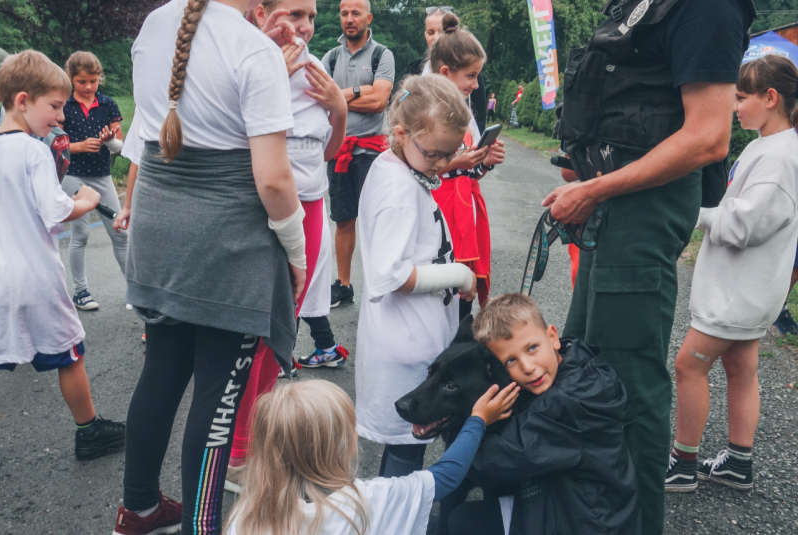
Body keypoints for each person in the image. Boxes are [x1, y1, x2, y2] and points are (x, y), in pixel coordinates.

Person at [547, 1, 756, 532]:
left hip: (641, 212)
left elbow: (708, 136)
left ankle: (634, 523)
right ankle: (591, 514)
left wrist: (593, 188)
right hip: (611, 204)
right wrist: (586, 184)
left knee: (627, 383)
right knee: (583, 363)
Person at [112, 0, 305, 533]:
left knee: (162, 371)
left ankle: (139, 508)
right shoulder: (254, 51)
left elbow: (167, 118)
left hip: (160, 228)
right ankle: (203, 524)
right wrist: (296, 252)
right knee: (220, 392)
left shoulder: (156, 24)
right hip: (228, 242)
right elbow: (273, 180)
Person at [225, 0, 350, 492]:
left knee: (284, 327)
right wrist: (272, 76)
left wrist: (339, 107)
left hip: (312, 203)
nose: (304, 27)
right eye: (293, 14)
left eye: (311, 17)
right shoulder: (246, 59)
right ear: (260, 13)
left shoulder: (316, 66)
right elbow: (228, 137)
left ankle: (258, 437)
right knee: (258, 327)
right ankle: (236, 452)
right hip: (267, 204)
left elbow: (331, 151)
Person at [665, 55, 798, 493]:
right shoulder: (770, 145)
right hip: (752, 289)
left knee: (689, 365)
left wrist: (696, 215)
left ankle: (682, 464)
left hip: (737, 292)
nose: (734, 106)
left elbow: (747, 224)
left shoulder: (780, 157)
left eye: (741, 98)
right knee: (742, 368)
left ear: (771, 98)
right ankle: (738, 463)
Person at [0, 50, 126, 462]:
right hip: (36, 276)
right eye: (54, 106)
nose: (60, 116)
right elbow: (56, 210)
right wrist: (85, 200)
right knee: (70, 354)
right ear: (22, 101)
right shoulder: (34, 151)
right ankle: (89, 433)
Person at [355, 74, 478, 478]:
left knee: (405, 453)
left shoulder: (399, 166)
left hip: (409, 339)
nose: (443, 164)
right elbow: (390, 273)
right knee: (406, 458)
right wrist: (459, 274)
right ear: (401, 132)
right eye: (434, 154)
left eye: (450, 153)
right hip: (406, 347)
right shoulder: (398, 190)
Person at [448, 294, 640, 535]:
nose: (528, 367)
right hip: (579, 503)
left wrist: (479, 419)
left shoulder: (566, 404)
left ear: (552, 336)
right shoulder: (578, 363)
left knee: (463, 522)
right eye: (510, 361)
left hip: (589, 524)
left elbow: (488, 462)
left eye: (532, 348)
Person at [225, 379, 518, 535]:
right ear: (344, 447)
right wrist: (478, 419)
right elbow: (448, 474)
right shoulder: (365, 501)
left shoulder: (247, 513)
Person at [428, 13, 505, 320]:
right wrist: (456, 162)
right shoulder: (428, 110)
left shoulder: (459, 109)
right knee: (443, 289)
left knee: (463, 293)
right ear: (446, 72)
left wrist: (483, 162)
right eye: (471, 76)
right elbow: (417, 167)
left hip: (462, 210)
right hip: (438, 211)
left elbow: (465, 170)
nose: (475, 85)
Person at [322, 0, 395, 308]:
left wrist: (338, 96)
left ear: (369, 17)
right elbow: (318, 101)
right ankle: (344, 285)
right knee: (343, 220)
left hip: (372, 152)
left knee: (376, 220)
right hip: (339, 151)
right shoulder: (330, 56)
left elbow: (379, 100)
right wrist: (356, 93)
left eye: (355, 13)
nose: (349, 19)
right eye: (344, 13)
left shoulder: (382, 54)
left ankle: (383, 283)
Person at [60, 51, 126, 311]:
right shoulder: (63, 106)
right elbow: (53, 146)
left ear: (100, 79)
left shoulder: (108, 104)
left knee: (120, 232)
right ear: (71, 79)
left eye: (94, 81)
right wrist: (78, 146)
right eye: (82, 82)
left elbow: (119, 147)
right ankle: (81, 291)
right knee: (81, 234)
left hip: (102, 175)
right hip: (72, 175)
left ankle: (134, 289)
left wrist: (110, 140)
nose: (88, 87)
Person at [403, 6, 487, 133]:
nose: (435, 38)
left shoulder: (472, 74)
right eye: (430, 32)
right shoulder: (413, 70)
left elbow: (479, 117)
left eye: (441, 31)